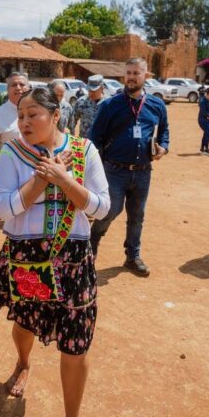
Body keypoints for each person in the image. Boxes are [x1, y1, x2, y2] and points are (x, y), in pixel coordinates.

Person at [0, 87, 109, 417]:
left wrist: (64, 180)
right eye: (20, 116)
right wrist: (41, 180)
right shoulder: (12, 153)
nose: (24, 122)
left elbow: (102, 207)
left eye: (33, 114)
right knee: (25, 322)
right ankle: (23, 362)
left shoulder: (84, 151)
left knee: (77, 343)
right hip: (28, 257)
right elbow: (4, 209)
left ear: (56, 115)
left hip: (75, 260)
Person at [86, 57, 169, 278]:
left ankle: (132, 256)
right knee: (110, 211)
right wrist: (96, 169)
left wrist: (163, 148)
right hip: (114, 171)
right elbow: (95, 137)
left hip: (143, 171)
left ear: (145, 75)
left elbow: (164, 132)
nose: (131, 77)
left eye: (136, 73)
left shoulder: (156, 105)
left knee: (137, 216)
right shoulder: (110, 105)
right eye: (128, 73)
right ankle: (92, 241)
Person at [0, 72, 32, 223]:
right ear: (8, 89)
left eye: (22, 84)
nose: (18, 88)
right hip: (9, 176)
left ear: (29, 87)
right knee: (13, 219)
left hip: (37, 174)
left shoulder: (39, 112)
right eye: (13, 85)